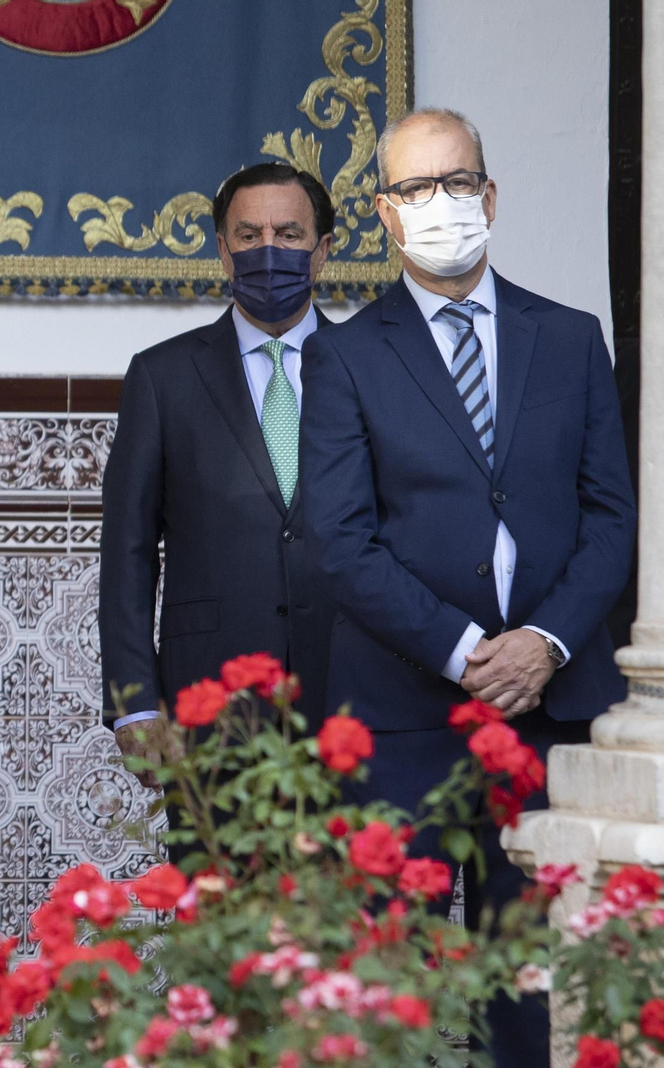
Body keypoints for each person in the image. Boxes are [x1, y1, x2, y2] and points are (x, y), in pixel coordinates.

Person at [299, 108, 635, 1067]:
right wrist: (464, 651)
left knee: (530, 996)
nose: (439, 205)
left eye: (456, 183)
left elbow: (613, 516)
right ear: (386, 215)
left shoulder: (570, 338)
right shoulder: (346, 355)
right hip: (407, 719)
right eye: (415, 189)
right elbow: (342, 539)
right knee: (391, 995)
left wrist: (548, 642)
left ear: (489, 197)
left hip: (549, 710)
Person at [99, 162, 337, 791]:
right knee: (220, 891)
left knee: (345, 891)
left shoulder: (372, 367)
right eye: (249, 235)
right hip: (208, 705)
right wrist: (136, 703)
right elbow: (127, 552)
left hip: (351, 698)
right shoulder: (163, 377)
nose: (268, 251)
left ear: (322, 253)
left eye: (288, 235)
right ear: (224, 253)